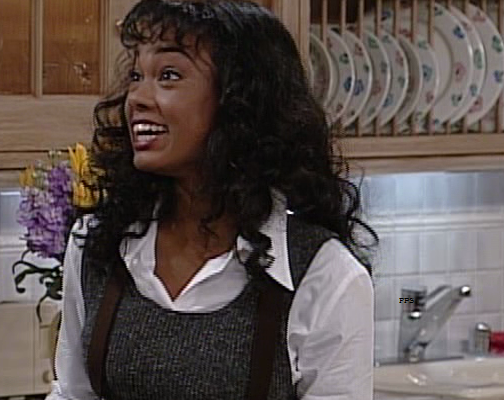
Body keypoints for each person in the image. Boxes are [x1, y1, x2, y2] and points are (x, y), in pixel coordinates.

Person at [47, 0, 376, 399]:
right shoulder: (98, 243)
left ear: (238, 101)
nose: (137, 98)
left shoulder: (325, 276)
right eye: (136, 75)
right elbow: (72, 394)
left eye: (168, 75)